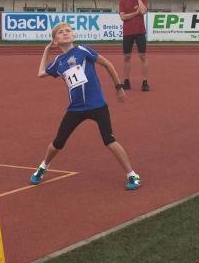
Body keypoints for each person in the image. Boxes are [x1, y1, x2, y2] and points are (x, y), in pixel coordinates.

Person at [29, 22, 141, 190]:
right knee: (58, 143)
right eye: (61, 32)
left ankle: (132, 175)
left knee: (109, 140)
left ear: (73, 35)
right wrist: (46, 50)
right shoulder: (58, 62)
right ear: (55, 40)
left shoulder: (83, 50)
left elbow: (108, 64)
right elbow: (40, 73)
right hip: (76, 109)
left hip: (97, 105)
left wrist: (118, 87)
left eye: (68, 31)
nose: (65, 33)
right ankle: (43, 167)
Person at [118, 0, 149, 91]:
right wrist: (136, 13)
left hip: (140, 31)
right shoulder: (122, 1)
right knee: (127, 57)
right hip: (128, 32)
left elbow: (143, 11)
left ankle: (145, 82)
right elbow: (123, 17)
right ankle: (126, 81)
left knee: (142, 56)